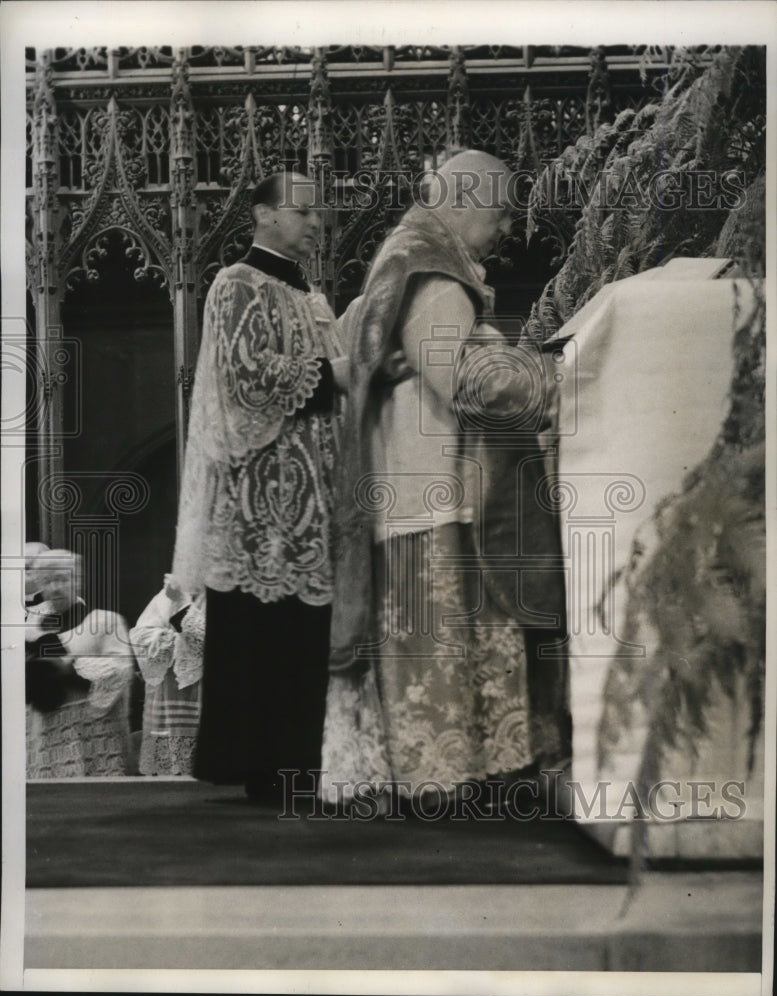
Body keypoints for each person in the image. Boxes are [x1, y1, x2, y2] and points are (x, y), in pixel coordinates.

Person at [323, 150, 568, 812]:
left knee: (440, 635)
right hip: (436, 490)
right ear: (460, 204)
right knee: (443, 634)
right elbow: (458, 379)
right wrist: (552, 377)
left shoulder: (398, 259)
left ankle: (453, 770)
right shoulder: (431, 275)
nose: (501, 231)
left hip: (414, 483)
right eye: (495, 216)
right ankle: (445, 777)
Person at [172, 170, 348, 804]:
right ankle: (264, 766)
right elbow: (248, 379)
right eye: (302, 211)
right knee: (269, 630)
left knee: (300, 633)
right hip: (262, 497)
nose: (315, 223)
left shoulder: (310, 294)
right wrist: (338, 374)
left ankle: (296, 763)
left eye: (317, 213)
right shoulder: (238, 283)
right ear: (264, 214)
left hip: (313, 492)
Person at [25, 548, 135, 777]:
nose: (54, 588)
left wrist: (64, 667)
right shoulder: (32, 630)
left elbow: (121, 670)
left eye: (61, 579)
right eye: (46, 581)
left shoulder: (104, 621)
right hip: (48, 736)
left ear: (77, 580)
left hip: (92, 735)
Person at [129, 574, 205, 776]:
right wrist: (174, 640)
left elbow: (207, 639)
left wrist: (181, 608)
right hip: (169, 692)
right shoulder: (167, 594)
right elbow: (140, 636)